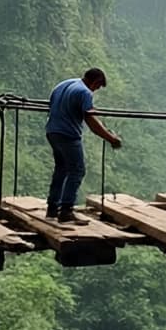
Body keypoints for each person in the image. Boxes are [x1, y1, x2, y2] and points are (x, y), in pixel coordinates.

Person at [45, 68, 121, 223]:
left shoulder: (65, 84)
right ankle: (66, 210)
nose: (96, 90)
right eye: (98, 87)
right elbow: (91, 122)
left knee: (61, 168)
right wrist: (111, 138)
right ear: (95, 82)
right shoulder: (84, 92)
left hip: (52, 131)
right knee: (77, 170)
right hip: (68, 135)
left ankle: (52, 208)